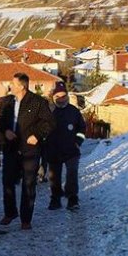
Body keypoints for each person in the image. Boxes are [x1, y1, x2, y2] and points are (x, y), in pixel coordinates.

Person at [0, 73, 55, 230]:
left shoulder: (37, 103)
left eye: (13, 84)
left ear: (22, 86)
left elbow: (49, 123)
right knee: (7, 181)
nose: (10, 86)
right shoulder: (7, 101)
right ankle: (10, 212)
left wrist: (37, 135)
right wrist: (5, 130)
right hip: (10, 148)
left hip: (30, 150)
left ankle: (26, 218)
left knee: (28, 184)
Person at [45, 82, 86, 211]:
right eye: (58, 96)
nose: (61, 99)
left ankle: (72, 198)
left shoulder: (74, 112)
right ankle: (55, 198)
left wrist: (78, 142)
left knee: (71, 174)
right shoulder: (48, 112)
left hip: (71, 151)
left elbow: (82, 128)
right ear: (53, 97)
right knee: (54, 176)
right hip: (53, 151)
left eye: (63, 96)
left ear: (67, 96)